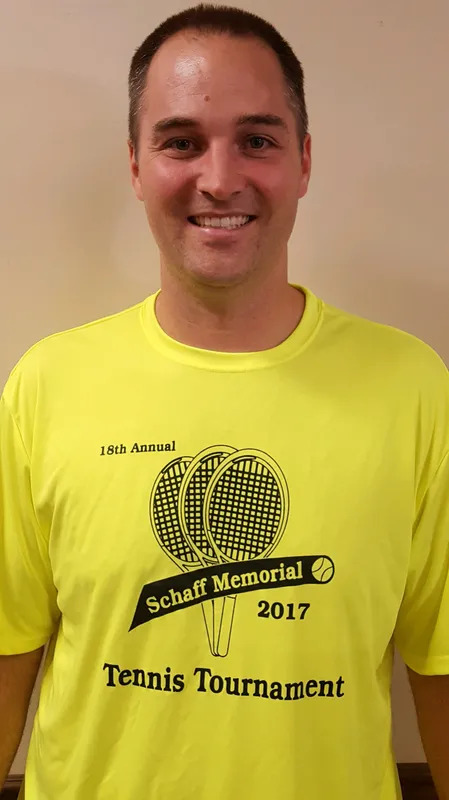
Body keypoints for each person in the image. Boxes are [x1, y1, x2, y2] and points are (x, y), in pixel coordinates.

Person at [0, 4, 448, 799]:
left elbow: (440, 665)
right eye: (179, 141)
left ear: (303, 161)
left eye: (257, 139)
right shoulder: (46, 384)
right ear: (135, 166)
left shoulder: (413, 388)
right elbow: (10, 652)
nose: (218, 178)